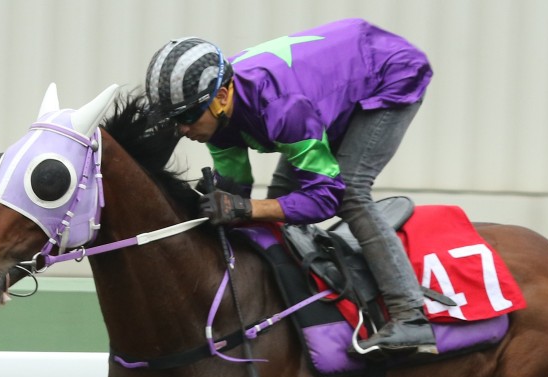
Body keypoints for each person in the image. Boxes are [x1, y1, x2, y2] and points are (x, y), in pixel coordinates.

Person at [145, 18, 434, 358]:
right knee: (280, 196)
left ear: (222, 96)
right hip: (326, 87)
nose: (182, 129)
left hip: (388, 71)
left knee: (351, 191)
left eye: (188, 116)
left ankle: (409, 313)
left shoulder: (282, 109)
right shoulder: (218, 118)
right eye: (173, 120)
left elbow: (326, 198)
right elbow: (236, 187)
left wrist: (246, 209)